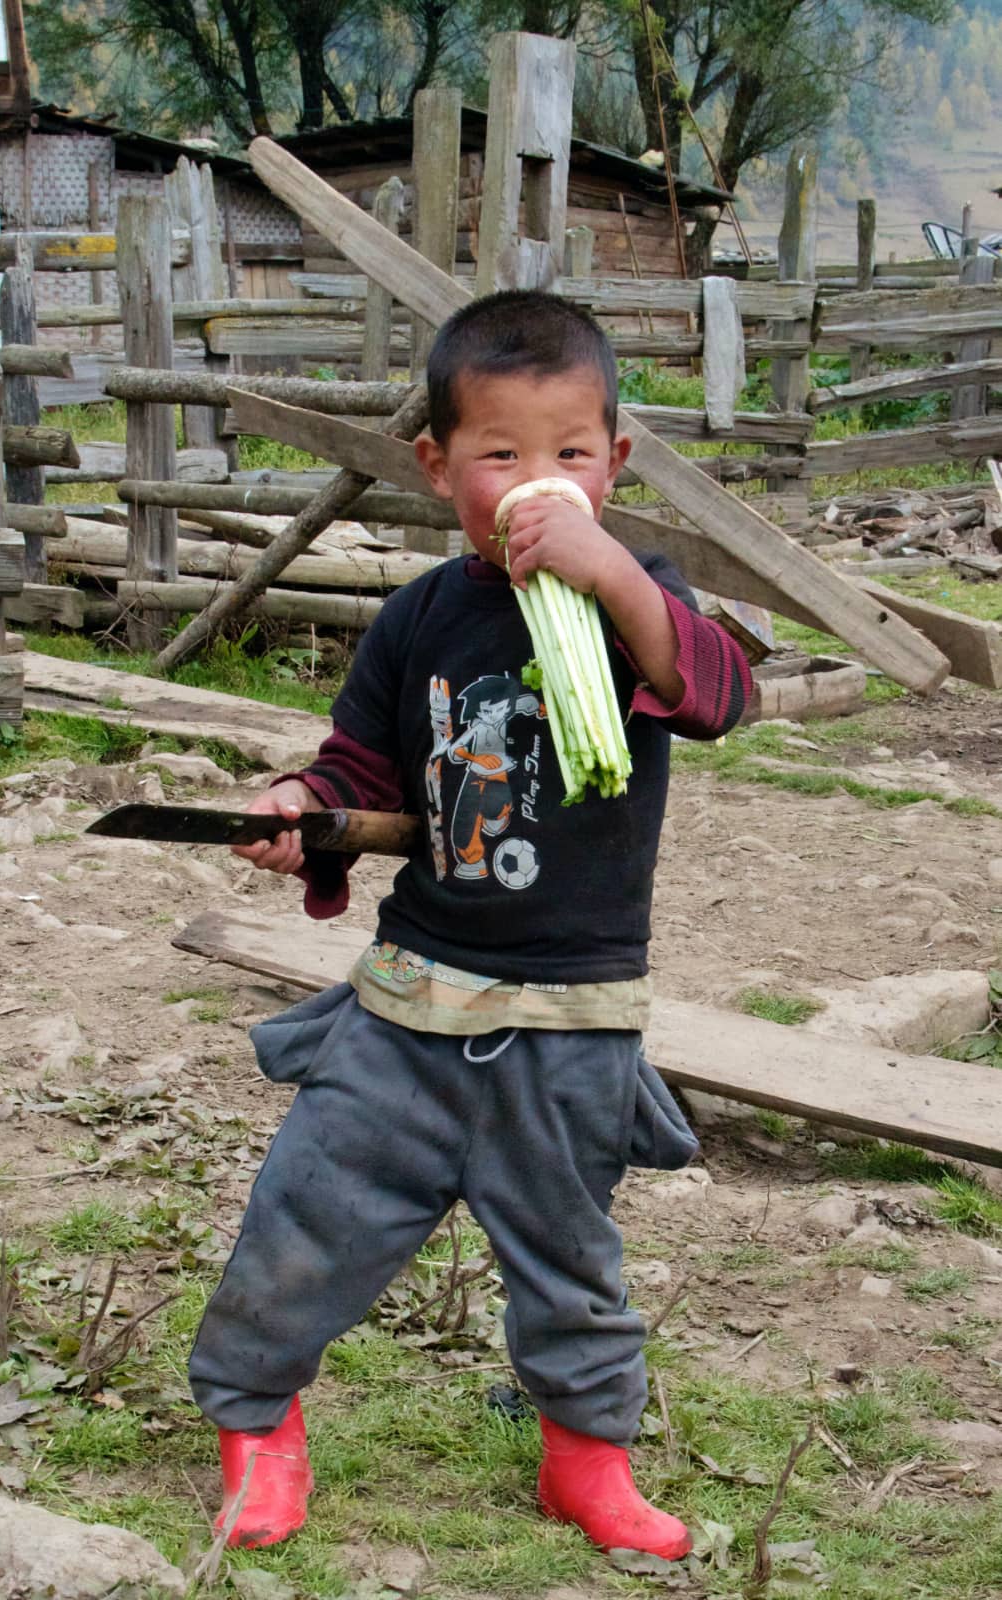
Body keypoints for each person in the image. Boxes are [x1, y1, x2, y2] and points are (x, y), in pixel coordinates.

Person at [188, 290, 752, 1560]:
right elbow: (359, 776)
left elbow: (713, 694)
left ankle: (586, 1463)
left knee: (568, 1258)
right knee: (304, 1214)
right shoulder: (419, 620)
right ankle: (256, 1430)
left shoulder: (639, 607)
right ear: (439, 465)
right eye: (499, 454)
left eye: (568, 454)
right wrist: (300, 811)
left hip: (568, 1019)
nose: (534, 484)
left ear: (617, 459)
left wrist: (610, 575)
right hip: (409, 1000)